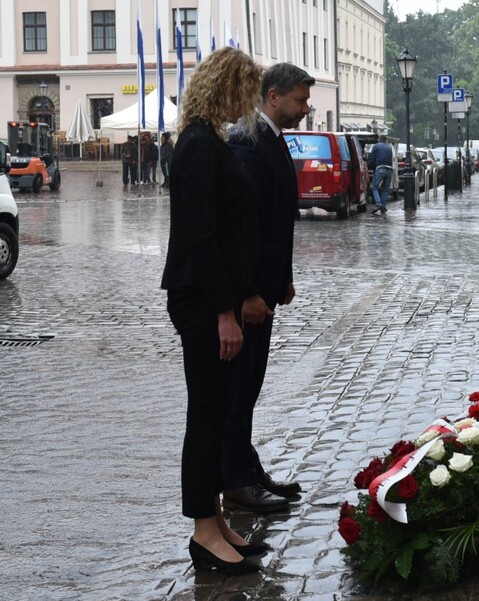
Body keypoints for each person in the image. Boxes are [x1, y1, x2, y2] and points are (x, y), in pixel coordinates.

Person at [160, 46, 265, 576]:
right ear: (226, 86)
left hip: (212, 301)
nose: (246, 104)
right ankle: (203, 531)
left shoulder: (209, 139)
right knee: (204, 419)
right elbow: (201, 237)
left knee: (217, 413)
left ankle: (216, 519)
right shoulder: (199, 145)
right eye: (244, 92)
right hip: (203, 304)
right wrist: (226, 311)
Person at [222, 63, 314, 512]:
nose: (305, 107)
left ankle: (247, 467)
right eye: (299, 100)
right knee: (238, 388)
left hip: (266, 289)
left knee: (251, 384)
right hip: (248, 297)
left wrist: (284, 277)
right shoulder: (246, 142)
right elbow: (243, 227)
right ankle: (235, 481)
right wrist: (249, 293)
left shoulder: (269, 138)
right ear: (273, 97)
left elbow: (279, 217)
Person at [368, 135, 392, 214]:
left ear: (379, 140)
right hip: (389, 169)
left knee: (374, 187)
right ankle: (383, 206)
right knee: (386, 189)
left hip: (380, 168)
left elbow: (372, 159)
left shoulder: (376, 146)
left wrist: (374, 169)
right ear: (385, 140)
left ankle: (378, 204)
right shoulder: (389, 148)